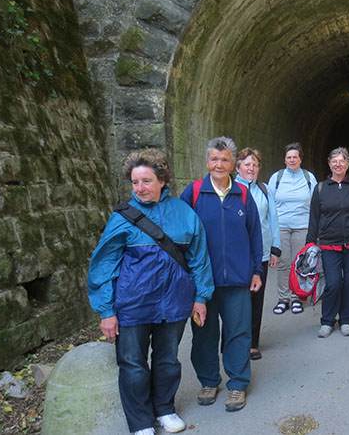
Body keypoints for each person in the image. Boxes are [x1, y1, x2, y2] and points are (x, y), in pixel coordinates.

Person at [87, 149, 213, 435]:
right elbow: (104, 265)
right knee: (133, 364)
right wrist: (106, 311)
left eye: (146, 181)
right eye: (135, 182)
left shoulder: (184, 214)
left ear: (162, 180)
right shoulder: (122, 218)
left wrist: (200, 297)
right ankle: (141, 422)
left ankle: (165, 408)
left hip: (175, 301)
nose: (140, 188)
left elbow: (199, 258)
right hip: (133, 303)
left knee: (168, 360)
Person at [179, 137, 263, 413]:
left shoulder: (243, 195)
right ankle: (209, 380)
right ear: (207, 162)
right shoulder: (193, 193)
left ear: (233, 163)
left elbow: (254, 234)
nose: (219, 164)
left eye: (225, 159)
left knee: (238, 332)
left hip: (238, 279)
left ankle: (237, 383)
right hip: (202, 281)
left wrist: (256, 270)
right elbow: (179, 237)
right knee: (204, 333)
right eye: (214, 159)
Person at [306, 147, 349, 338]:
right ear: (329, 164)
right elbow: (314, 217)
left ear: (348, 164)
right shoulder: (321, 188)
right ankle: (327, 320)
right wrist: (309, 243)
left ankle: (346, 319)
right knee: (332, 283)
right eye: (334, 161)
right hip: (329, 243)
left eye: (342, 161)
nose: (338, 164)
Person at [235, 148, 281, 360]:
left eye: (255, 165)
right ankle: (233, 341)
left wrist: (275, 248)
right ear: (238, 168)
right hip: (236, 254)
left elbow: (273, 220)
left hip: (260, 253)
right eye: (247, 164)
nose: (251, 168)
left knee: (256, 299)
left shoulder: (264, 190)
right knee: (235, 300)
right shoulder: (230, 189)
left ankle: (253, 343)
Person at [268, 142, 318, 315]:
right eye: (289, 157)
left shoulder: (309, 178)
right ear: (284, 160)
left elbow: (315, 204)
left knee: (299, 263)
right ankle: (283, 298)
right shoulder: (277, 178)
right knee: (283, 262)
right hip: (281, 226)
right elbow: (270, 203)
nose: (292, 160)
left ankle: (297, 297)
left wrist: (315, 229)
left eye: (295, 157)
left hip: (302, 226)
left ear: (300, 159)